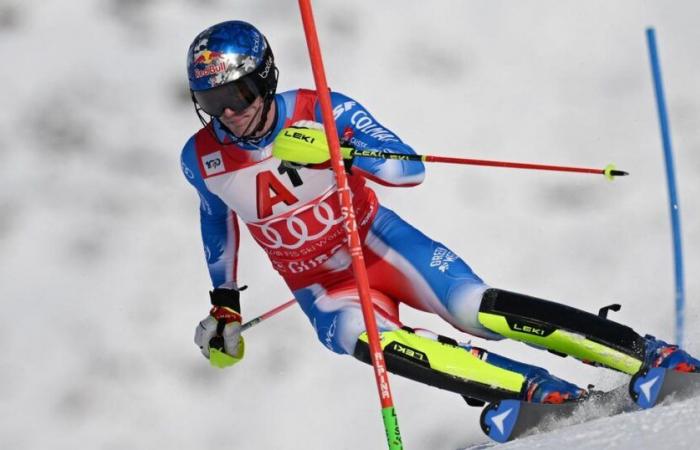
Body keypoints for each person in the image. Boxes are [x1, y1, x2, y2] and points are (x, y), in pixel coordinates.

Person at [181, 20, 699, 405]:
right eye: (212, 99)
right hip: (318, 283)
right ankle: (531, 391)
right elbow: (217, 219)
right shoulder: (200, 158)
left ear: (265, 79)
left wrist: (339, 150)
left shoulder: (321, 107)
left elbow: (408, 170)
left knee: (474, 309)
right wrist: (224, 303)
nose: (229, 112)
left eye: (238, 92)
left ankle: (644, 354)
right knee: (361, 339)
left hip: (378, 242)